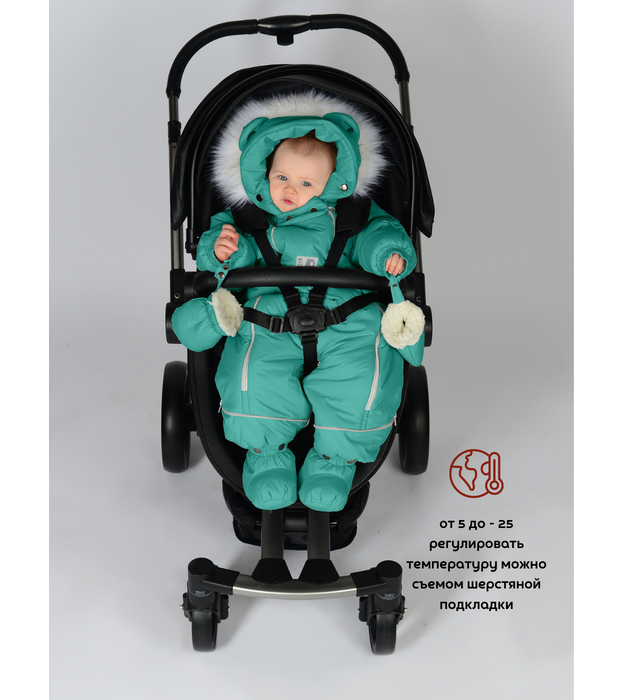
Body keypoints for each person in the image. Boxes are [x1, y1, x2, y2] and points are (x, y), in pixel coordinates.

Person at [172, 106, 425, 513]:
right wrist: (222, 250)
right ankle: (266, 457)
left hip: (349, 318)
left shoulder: (354, 215)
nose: (291, 190)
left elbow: (378, 237)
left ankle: (333, 463)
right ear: (265, 170)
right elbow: (228, 253)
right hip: (267, 318)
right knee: (252, 376)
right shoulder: (246, 217)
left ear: (334, 180)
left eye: (307, 182)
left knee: (362, 376)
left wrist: (388, 253)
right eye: (282, 177)